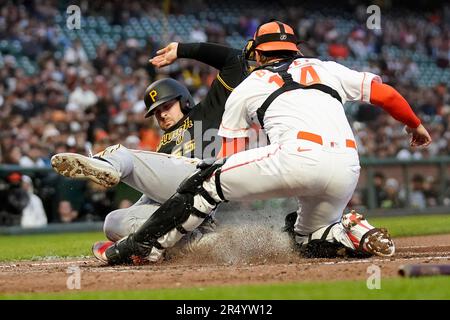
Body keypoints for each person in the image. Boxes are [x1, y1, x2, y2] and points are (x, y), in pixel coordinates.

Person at [94, 20, 432, 265]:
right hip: (347, 166)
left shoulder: (249, 85)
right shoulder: (327, 68)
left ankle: (145, 247)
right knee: (306, 238)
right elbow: (385, 93)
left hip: (296, 157)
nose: (162, 114)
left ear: (258, 53)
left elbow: (225, 161)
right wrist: (415, 125)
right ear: (294, 48)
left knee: (208, 179)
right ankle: (351, 232)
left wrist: (236, 185)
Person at [51, 42, 247, 246]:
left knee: (123, 153)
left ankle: (107, 164)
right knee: (113, 222)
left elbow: (235, 60)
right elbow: (151, 197)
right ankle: (196, 241)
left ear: (185, 101)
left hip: (203, 183)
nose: (161, 113)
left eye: (167, 105)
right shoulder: (163, 145)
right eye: (156, 111)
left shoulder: (206, 112)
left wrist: (182, 50)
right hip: (181, 203)